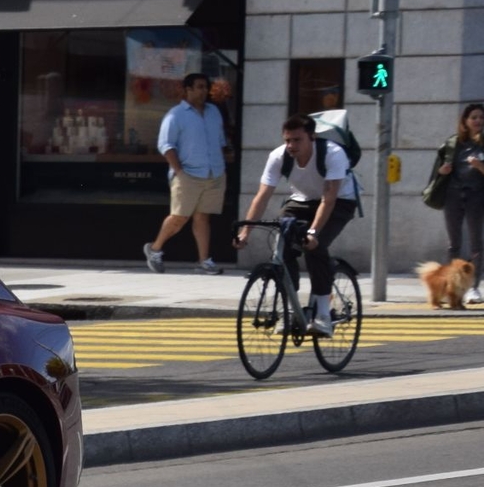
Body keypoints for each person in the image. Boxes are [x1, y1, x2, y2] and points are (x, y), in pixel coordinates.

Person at [237, 113, 360, 336]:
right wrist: (246, 232)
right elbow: (262, 196)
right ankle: (289, 310)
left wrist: (313, 232)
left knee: (315, 245)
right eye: (287, 140)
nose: (291, 145)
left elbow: (329, 199)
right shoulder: (278, 157)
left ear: (312, 137)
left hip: (340, 202)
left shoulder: (333, 154)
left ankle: (322, 313)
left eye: (297, 140)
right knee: (282, 249)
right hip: (301, 200)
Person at [143, 71, 228, 273]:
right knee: (179, 217)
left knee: (203, 217)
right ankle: (155, 249)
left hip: (213, 173)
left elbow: (220, 142)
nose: (204, 91)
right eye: (199, 87)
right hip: (188, 174)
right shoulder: (176, 115)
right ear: (187, 90)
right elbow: (166, 145)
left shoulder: (214, 112)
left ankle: (203, 261)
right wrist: (179, 172)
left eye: (205, 87)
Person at [429, 103, 484, 271]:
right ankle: (453, 282)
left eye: (481, 117)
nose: (478, 121)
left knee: (476, 242)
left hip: (476, 196)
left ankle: (474, 285)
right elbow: (437, 171)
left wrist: (479, 166)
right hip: (453, 195)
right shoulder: (453, 143)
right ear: (465, 121)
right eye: (473, 117)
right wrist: (443, 170)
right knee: (454, 242)